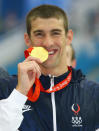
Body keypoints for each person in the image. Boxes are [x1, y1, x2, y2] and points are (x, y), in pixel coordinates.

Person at [0, 4, 99, 131]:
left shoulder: (93, 95)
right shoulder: (6, 89)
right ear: (27, 39)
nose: (48, 43)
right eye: (39, 34)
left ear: (68, 37)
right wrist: (20, 92)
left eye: (55, 33)